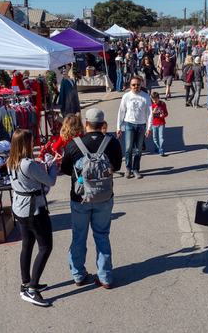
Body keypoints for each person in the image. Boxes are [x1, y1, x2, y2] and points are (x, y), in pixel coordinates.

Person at [61, 109, 123, 290]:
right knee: (102, 236)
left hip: (79, 198)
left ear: (85, 123)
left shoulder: (73, 144)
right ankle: (105, 277)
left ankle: (79, 275)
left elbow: (65, 170)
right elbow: (117, 166)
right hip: (104, 197)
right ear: (103, 124)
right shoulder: (112, 143)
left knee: (78, 236)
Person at [7, 129, 62, 306]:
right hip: (34, 209)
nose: (34, 144)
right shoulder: (28, 164)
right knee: (45, 247)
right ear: (25, 144)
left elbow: (32, 177)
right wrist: (53, 164)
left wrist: (45, 164)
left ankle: (25, 283)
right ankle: (32, 290)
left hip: (19, 208)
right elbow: (50, 181)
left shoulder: (11, 161)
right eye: (31, 141)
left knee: (27, 245)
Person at [117, 76, 153, 179]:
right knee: (128, 148)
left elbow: (150, 113)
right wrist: (118, 127)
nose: (136, 86)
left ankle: (136, 169)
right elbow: (121, 112)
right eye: (133, 85)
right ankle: (128, 168)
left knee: (138, 149)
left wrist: (149, 128)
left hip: (141, 125)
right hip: (129, 124)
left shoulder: (145, 96)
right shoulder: (126, 96)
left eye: (138, 84)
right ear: (130, 86)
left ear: (141, 84)